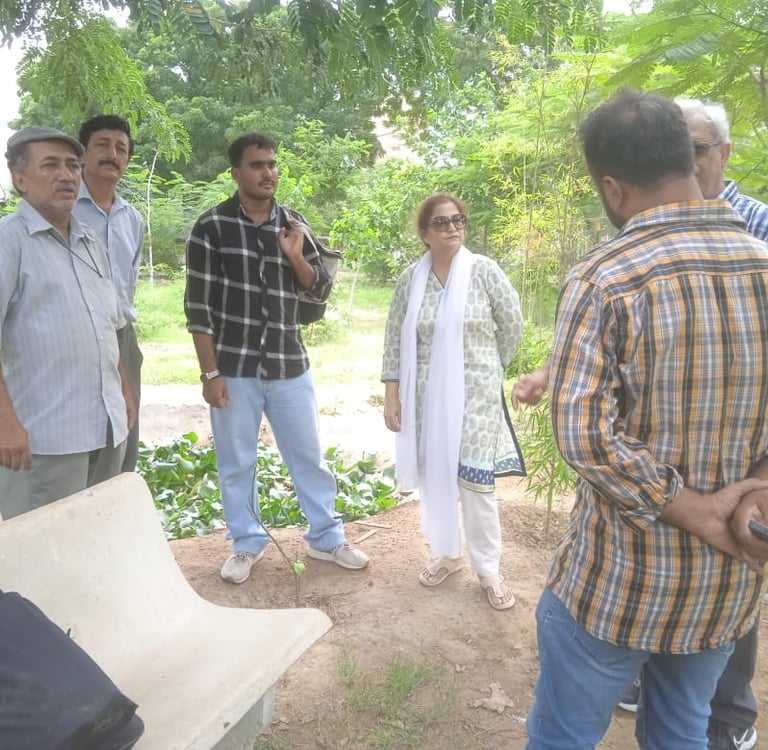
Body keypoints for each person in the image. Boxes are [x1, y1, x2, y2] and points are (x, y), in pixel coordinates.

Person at [515, 97, 768, 750]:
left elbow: (585, 437)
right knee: (682, 734)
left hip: (616, 586)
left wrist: (696, 510)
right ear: (690, 158)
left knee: (564, 738)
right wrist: (757, 491)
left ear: (612, 187)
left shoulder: (605, 278)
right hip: (724, 586)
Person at [184, 132, 369, 584]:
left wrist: (295, 255)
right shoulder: (211, 228)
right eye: (257, 165)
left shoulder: (294, 225)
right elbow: (198, 309)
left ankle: (326, 537)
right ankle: (246, 542)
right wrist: (210, 374)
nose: (268, 172)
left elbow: (319, 293)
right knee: (236, 462)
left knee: (308, 456)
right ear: (236, 173)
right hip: (235, 368)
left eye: (271, 164)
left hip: (289, 365)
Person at [381, 193, 525, 610]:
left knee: (476, 482)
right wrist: (392, 393)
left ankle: (489, 569)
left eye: (458, 219)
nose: (453, 228)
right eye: (442, 222)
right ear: (425, 233)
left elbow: (512, 324)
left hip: (477, 394)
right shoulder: (411, 280)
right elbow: (394, 338)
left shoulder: (483, 271)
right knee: (437, 475)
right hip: (425, 395)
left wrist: (489, 365)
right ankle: (447, 553)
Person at [0, 126, 134, 519]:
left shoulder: (90, 241)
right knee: (43, 545)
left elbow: (107, 324)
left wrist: (124, 391)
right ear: (20, 179)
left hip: (106, 428)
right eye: (51, 165)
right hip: (45, 439)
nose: (66, 175)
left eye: (73, 166)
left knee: (96, 536)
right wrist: (4, 422)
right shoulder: (9, 242)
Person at [74, 114, 145, 473]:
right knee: (78, 436)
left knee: (125, 430)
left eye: (121, 149)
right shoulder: (62, 209)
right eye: (102, 144)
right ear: (82, 154)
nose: (112, 154)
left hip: (122, 336)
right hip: (74, 336)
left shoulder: (131, 218)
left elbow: (129, 280)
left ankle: (116, 500)